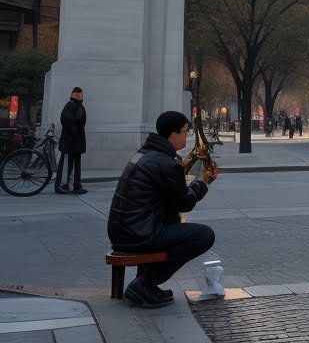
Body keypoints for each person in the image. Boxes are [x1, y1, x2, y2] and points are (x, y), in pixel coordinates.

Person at [107, 111, 218, 308]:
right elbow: (184, 203)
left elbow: (170, 196)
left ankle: (146, 283)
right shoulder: (165, 162)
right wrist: (203, 183)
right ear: (172, 134)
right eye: (185, 131)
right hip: (139, 233)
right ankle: (144, 283)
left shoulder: (146, 153)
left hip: (124, 229)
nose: (187, 136)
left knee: (173, 222)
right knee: (204, 235)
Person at [55, 87, 87, 195]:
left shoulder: (72, 106)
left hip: (72, 141)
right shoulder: (73, 106)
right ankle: (64, 186)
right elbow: (72, 122)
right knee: (68, 164)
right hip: (71, 141)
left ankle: (75, 185)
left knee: (72, 164)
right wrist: (75, 130)